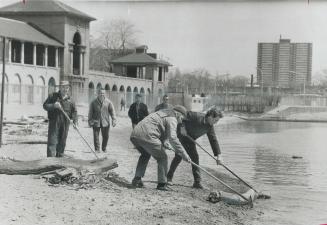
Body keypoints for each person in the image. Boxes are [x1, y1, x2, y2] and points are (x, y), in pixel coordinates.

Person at [130, 105, 191, 191]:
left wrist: (164, 142)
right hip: (147, 136)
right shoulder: (172, 118)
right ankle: (162, 184)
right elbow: (173, 138)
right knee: (163, 157)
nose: (181, 121)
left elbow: (157, 127)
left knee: (145, 154)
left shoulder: (163, 112)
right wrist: (184, 154)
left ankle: (137, 179)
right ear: (177, 113)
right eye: (182, 118)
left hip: (135, 135)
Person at [167, 107, 223, 189]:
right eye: (215, 120)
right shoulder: (195, 116)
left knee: (195, 158)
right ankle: (169, 178)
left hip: (191, 139)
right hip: (182, 136)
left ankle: (197, 182)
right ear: (210, 116)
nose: (216, 123)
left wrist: (218, 155)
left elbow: (213, 140)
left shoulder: (210, 126)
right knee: (178, 157)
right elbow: (182, 116)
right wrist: (182, 127)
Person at [43, 80, 78, 157]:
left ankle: (59, 162)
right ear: (60, 88)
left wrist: (75, 122)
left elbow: (74, 112)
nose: (64, 89)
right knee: (52, 143)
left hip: (65, 124)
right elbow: (45, 106)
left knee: (62, 143)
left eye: (66, 88)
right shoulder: (53, 96)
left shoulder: (71, 100)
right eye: (63, 87)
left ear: (68, 88)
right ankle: (50, 163)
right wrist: (53, 105)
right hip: (54, 124)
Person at [88, 89, 117, 153]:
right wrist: (89, 121)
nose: (102, 94)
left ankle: (104, 148)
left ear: (105, 94)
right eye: (100, 93)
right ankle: (97, 149)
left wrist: (114, 119)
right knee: (96, 137)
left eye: (103, 93)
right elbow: (90, 112)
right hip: (96, 122)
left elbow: (112, 111)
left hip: (105, 122)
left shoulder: (108, 102)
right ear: (98, 94)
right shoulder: (93, 102)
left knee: (106, 136)